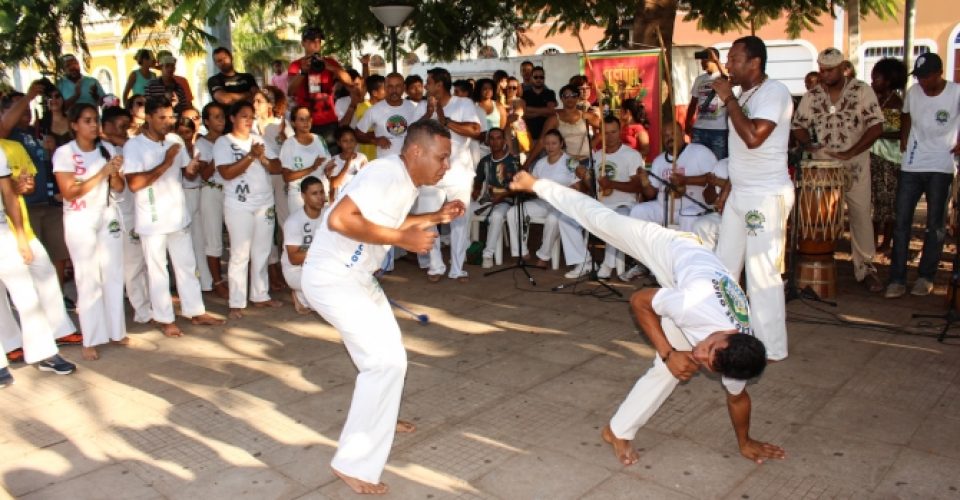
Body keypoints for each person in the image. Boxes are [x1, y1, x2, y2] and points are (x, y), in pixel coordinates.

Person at [508, 169, 785, 467]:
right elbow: (640, 300)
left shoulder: (736, 353)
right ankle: (537, 184)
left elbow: (738, 398)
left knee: (673, 369)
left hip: (694, 287)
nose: (700, 356)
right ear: (726, 334)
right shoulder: (692, 304)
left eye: (708, 364)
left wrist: (745, 441)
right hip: (672, 249)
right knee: (602, 221)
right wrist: (667, 353)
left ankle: (617, 432)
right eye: (708, 350)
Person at [301, 120, 464, 494]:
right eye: (442, 157)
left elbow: (386, 220)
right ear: (416, 151)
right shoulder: (386, 173)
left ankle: (380, 420)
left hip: (357, 276)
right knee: (384, 363)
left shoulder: (403, 180)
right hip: (334, 277)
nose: (446, 166)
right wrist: (402, 240)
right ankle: (352, 463)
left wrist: (435, 217)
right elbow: (340, 219)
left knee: (390, 358)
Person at [711, 35, 794, 362]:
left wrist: (729, 98)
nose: (728, 64)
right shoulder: (744, 95)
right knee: (724, 268)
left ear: (755, 63)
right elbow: (740, 153)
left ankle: (771, 347)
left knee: (761, 274)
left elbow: (753, 137)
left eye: (734, 59)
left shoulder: (775, 92)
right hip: (741, 193)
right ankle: (724, 332)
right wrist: (728, 189)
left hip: (765, 196)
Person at [123, 96, 225, 337]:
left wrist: (191, 168)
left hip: (178, 214)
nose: (168, 122)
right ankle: (164, 318)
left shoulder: (175, 140)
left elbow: (187, 175)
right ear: (148, 118)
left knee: (187, 265)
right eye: (162, 117)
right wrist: (166, 161)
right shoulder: (134, 146)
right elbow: (134, 184)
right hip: (152, 219)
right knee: (158, 270)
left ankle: (195, 311)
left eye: (170, 117)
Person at [792, 48, 884, 292]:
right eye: (822, 70)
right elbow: (798, 125)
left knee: (860, 214)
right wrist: (808, 143)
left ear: (843, 68)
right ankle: (819, 265)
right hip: (823, 167)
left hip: (856, 165)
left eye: (830, 70)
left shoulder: (861, 90)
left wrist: (851, 152)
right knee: (820, 217)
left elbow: (876, 127)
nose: (824, 74)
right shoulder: (813, 95)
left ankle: (866, 268)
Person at [51, 103, 127, 361]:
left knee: (113, 273)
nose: (93, 125)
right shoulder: (65, 153)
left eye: (95, 120)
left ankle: (117, 331)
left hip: (107, 214)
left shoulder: (107, 149)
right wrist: (102, 173)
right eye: (87, 120)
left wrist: (114, 173)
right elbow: (69, 192)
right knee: (87, 277)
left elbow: (119, 187)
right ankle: (91, 338)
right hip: (80, 218)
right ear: (74, 125)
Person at [885, 53, 960, 298]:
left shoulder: (956, 93)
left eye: (926, 77)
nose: (922, 82)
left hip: (941, 165)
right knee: (901, 223)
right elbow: (906, 114)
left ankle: (926, 276)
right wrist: (904, 137)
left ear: (939, 74)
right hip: (912, 165)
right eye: (918, 77)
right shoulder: (914, 93)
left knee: (935, 225)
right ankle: (897, 279)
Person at [0, 148, 77, 385]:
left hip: (3, 231)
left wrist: (20, 236)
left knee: (26, 295)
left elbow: (8, 194)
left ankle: (44, 353)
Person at [214, 100, 284, 317]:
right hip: (239, 204)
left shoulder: (259, 139)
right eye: (243, 116)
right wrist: (251, 156)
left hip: (264, 202)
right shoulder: (224, 142)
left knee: (262, 250)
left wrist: (263, 158)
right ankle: (236, 301)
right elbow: (226, 173)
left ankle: (260, 294)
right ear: (232, 118)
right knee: (240, 253)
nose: (248, 120)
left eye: (251, 116)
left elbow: (277, 167)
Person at [415, 67, 482, 283]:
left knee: (459, 221)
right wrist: (429, 114)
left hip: (459, 173)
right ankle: (435, 265)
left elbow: (475, 131)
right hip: (430, 173)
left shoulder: (464, 103)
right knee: (428, 218)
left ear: (439, 85)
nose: (425, 86)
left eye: (428, 82)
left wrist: (445, 120)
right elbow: (413, 132)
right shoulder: (423, 106)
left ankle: (457, 268)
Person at [505, 129, 590, 278]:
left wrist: (569, 189)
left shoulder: (570, 162)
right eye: (547, 143)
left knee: (553, 219)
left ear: (561, 144)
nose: (550, 147)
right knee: (513, 212)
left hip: (562, 204)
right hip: (543, 201)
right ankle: (521, 252)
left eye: (554, 143)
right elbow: (532, 186)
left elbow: (579, 187)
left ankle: (544, 256)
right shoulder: (540, 163)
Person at [100, 106, 153, 322]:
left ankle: (144, 306)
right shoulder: (102, 150)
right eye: (121, 127)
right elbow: (118, 185)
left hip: (132, 210)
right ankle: (141, 311)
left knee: (137, 263)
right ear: (107, 126)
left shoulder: (127, 146)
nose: (124, 132)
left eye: (126, 127)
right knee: (128, 265)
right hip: (114, 213)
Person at [286, 27, 355, 152]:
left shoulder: (329, 62)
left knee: (332, 156)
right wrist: (303, 72)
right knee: (310, 157)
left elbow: (349, 81)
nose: (316, 44)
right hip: (306, 122)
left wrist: (330, 67)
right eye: (312, 41)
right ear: (303, 43)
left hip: (328, 122)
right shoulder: (296, 65)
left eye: (318, 41)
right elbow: (290, 91)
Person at [594, 116, 644, 279]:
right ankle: (584, 262)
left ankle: (607, 265)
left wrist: (611, 184)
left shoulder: (632, 155)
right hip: (600, 205)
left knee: (615, 218)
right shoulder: (596, 156)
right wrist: (585, 177)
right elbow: (592, 187)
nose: (610, 137)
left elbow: (637, 187)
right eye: (606, 133)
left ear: (620, 131)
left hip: (624, 205)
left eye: (613, 132)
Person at [869, 58, 908, 254]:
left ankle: (886, 243)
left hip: (890, 159)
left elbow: (899, 132)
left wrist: (876, 133)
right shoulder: (873, 99)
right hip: (871, 155)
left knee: (889, 203)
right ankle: (872, 240)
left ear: (888, 80)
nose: (872, 81)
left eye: (876, 78)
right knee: (872, 202)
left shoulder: (896, 103)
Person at [195, 102, 230, 299]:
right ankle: (217, 281)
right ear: (207, 121)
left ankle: (237, 278)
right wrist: (218, 156)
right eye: (216, 117)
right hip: (212, 191)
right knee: (213, 237)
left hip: (230, 191)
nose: (221, 121)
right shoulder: (201, 144)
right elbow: (205, 174)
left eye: (222, 116)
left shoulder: (229, 139)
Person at [472, 127, 519, 269]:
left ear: (504, 141)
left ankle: (488, 255)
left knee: (497, 215)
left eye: (499, 138)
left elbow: (519, 188)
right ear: (488, 141)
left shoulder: (513, 162)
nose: (495, 141)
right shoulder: (484, 161)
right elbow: (478, 181)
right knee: (464, 210)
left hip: (507, 202)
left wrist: (503, 196)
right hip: (487, 200)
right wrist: (475, 191)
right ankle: (465, 250)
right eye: (492, 138)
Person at [523, 84, 599, 170]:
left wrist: (593, 143)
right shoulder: (554, 119)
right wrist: (527, 163)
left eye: (573, 95)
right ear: (561, 98)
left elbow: (605, 129)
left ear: (578, 97)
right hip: (564, 162)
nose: (570, 98)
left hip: (586, 160)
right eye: (566, 96)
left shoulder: (586, 116)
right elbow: (542, 141)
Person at [282, 176, 324, 314]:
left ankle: (304, 295)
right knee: (329, 288)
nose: (320, 197)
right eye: (314, 193)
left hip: (320, 266)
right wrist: (322, 251)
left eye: (321, 192)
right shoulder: (293, 222)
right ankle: (300, 295)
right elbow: (294, 259)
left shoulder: (328, 214)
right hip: (297, 270)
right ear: (303, 196)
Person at [355, 73, 421, 160]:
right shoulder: (374, 110)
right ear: (385, 88)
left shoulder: (414, 108)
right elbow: (358, 134)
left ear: (404, 88)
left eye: (398, 86)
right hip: (385, 162)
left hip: (409, 161)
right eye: (390, 86)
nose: (394, 90)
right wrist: (375, 140)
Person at [280, 105, 331, 217]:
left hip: (321, 193)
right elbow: (286, 177)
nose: (306, 122)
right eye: (301, 119)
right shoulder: (289, 144)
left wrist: (330, 169)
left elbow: (327, 164)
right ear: (293, 123)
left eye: (308, 118)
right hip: (299, 196)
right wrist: (312, 168)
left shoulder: (319, 139)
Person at [685, 47, 729, 160]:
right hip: (699, 129)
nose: (702, 62)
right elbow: (693, 103)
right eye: (701, 60)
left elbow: (728, 77)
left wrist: (716, 61)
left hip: (718, 130)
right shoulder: (699, 79)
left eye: (705, 59)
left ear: (714, 60)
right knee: (697, 161)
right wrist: (687, 122)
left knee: (718, 162)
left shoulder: (722, 77)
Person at [326, 126, 368, 201]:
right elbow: (334, 184)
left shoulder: (362, 158)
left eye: (352, 140)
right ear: (339, 143)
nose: (349, 143)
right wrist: (347, 164)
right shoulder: (334, 160)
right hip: (340, 199)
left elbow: (365, 180)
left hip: (357, 198)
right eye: (345, 141)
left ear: (356, 142)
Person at [520, 66, 557, 145]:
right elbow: (524, 114)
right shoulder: (525, 94)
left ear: (544, 78)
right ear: (531, 78)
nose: (538, 79)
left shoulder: (550, 93)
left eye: (541, 77)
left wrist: (529, 109)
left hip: (547, 137)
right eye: (536, 77)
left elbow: (551, 111)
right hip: (529, 137)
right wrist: (544, 111)